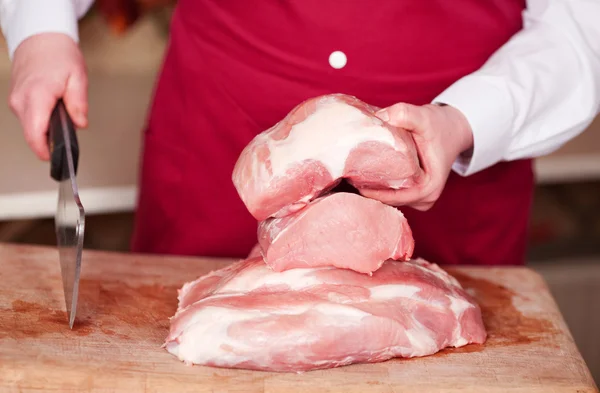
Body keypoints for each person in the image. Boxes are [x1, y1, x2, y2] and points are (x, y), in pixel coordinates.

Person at [2, 1, 599, 266]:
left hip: (451, 140)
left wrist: (462, 121)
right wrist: (41, 26)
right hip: (222, 123)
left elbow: (581, 24)